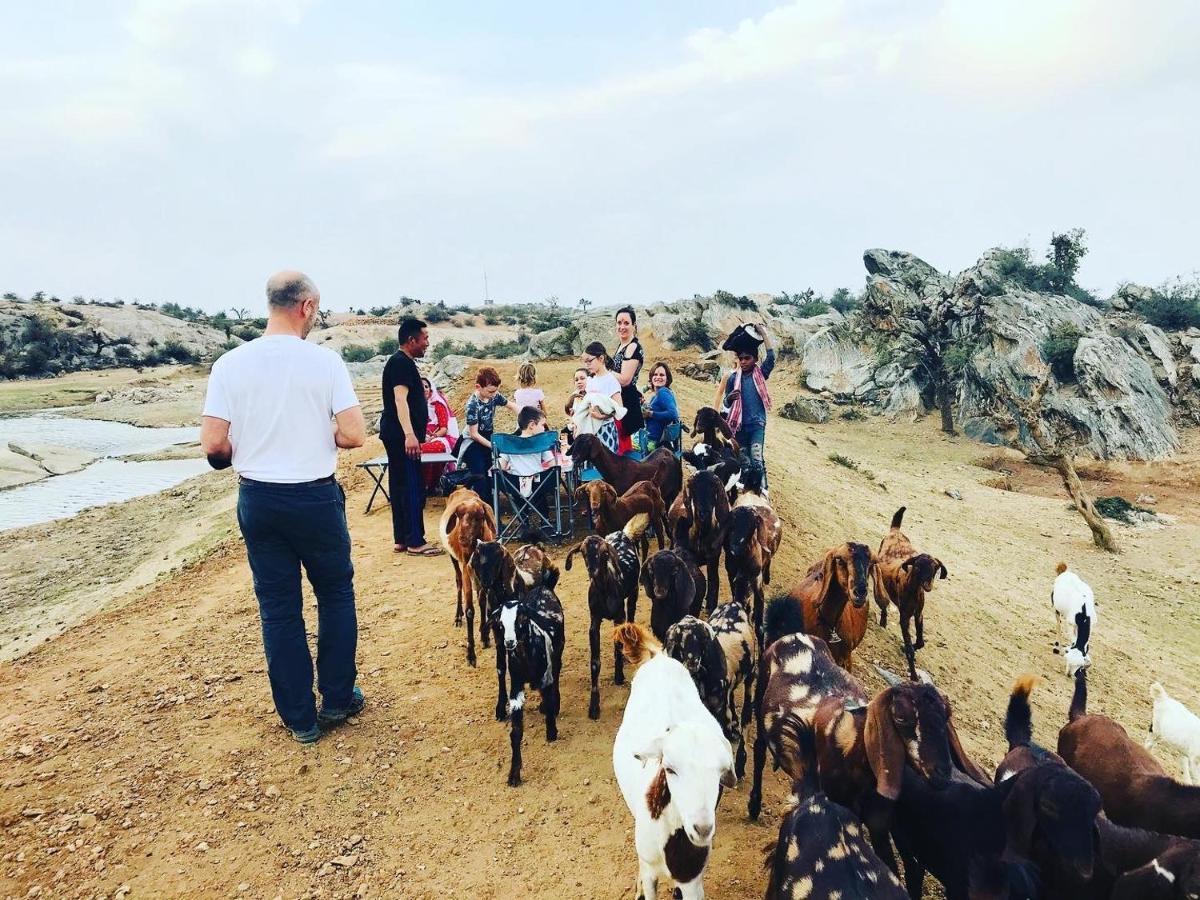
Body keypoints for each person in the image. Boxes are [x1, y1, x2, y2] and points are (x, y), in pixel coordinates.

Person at [200, 271, 366, 744]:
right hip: (314, 497)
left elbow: (214, 444)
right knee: (335, 594)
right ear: (307, 306)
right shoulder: (325, 363)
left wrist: (249, 447)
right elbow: (354, 434)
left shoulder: (230, 365)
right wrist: (317, 435)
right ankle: (337, 698)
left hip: (259, 498)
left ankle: (299, 718)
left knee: (278, 608)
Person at [380, 319, 444, 557]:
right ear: (411, 340)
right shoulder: (401, 364)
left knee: (400, 485)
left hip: (396, 433)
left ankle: (402, 539)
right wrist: (409, 434)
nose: (427, 343)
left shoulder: (400, 363)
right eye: (425, 338)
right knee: (412, 486)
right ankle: (415, 541)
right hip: (401, 435)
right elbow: (400, 400)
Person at [716, 324, 775, 483]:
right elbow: (726, 406)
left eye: (747, 358)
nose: (743, 361)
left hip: (756, 424)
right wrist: (729, 399)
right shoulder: (733, 379)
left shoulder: (761, 374)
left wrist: (763, 333)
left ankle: (762, 489)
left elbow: (771, 357)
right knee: (744, 462)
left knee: (756, 459)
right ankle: (746, 491)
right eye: (740, 358)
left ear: (755, 359)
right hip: (739, 427)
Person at [496, 406, 558, 538]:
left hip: (515, 487)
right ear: (532, 425)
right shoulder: (541, 443)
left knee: (517, 495)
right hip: (538, 486)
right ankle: (545, 522)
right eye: (542, 425)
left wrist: (507, 469)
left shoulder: (509, 444)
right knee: (541, 489)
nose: (544, 428)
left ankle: (523, 523)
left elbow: (499, 466)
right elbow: (554, 465)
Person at [460, 366, 519, 487]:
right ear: (478, 387)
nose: (494, 394)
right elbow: (474, 434)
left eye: (496, 391)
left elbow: (512, 406)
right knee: (480, 474)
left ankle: (492, 501)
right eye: (490, 392)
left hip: (487, 436)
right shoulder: (472, 404)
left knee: (491, 471)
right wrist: (493, 446)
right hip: (472, 441)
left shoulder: (494, 395)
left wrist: (526, 416)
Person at [609, 306, 644, 454]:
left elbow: (625, 380)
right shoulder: (622, 345)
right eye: (619, 323)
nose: (622, 327)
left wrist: (605, 372)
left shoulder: (632, 347)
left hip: (626, 403)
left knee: (623, 452)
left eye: (626, 323)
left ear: (634, 325)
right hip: (618, 401)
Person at [577, 342, 624, 452]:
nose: (587, 364)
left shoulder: (611, 381)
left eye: (589, 361)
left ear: (601, 358)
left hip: (605, 430)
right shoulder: (590, 380)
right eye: (585, 361)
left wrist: (602, 416)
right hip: (591, 430)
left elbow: (619, 409)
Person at [420, 377, 455, 491]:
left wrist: (432, 437)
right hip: (421, 438)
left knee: (426, 449)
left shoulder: (437, 404)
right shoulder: (414, 406)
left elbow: (443, 429)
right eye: (421, 386)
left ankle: (431, 485)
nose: (425, 389)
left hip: (440, 438)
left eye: (427, 386)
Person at [641, 361, 679, 452]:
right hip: (651, 439)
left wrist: (651, 414)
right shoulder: (659, 394)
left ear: (667, 379)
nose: (658, 377)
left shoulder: (663, 392)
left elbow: (673, 414)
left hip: (652, 442)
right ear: (651, 377)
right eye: (655, 374)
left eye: (662, 375)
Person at [562, 367, 588, 446]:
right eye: (576, 380)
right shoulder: (575, 396)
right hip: (575, 428)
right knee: (563, 434)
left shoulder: (592, 395)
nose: (579, 382)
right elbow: (570, 412)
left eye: (582, 378)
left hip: (587, 429)